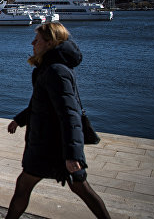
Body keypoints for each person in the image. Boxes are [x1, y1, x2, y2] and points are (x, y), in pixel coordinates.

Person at [6, 22, 110, 219]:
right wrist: (19, 120)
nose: (32, 43)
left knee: (27, 187)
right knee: (80, 189)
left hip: (52, 146)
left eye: (37, 40)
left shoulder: (55, 71)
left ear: (50, 43)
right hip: (50, 144)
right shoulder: (48, 68)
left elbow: (70, 114)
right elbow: (42, 104)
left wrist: (73, 155)